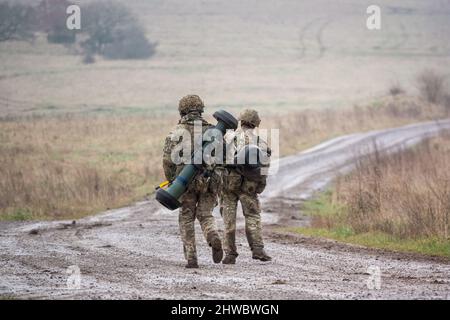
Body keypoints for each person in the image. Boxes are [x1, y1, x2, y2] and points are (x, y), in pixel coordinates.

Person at [162, 95, 223, 268]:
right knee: (205, 215)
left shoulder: (176, 133)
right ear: (201, 110)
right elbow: (223, 159)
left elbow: (167, 161)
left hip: (185, 182)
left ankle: (191, 257)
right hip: (210, 181)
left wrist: (174, 183)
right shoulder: (214, 131)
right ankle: (213, 235)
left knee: (187, 217)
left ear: (182, 110)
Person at [220, 109, 272, 264]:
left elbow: (218, 161)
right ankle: (257, 249)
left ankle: (229, 253)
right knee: (253, 216)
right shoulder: (261, 143)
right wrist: (260, 187)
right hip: (249, 186)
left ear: (240, 121)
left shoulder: (228, 137)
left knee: (228, 219)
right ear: (255, 124)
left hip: (229, 185)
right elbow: (264, 169)